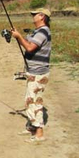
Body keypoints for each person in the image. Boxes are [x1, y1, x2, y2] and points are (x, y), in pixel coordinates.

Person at [11, 8, 51, 143]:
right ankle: (32, 128)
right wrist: (18, 35)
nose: (32, 16)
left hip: (38, 73)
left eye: (35, 14)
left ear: (42, 16)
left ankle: (39, 134)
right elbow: (29, 43)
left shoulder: (43, 31)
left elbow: (29, 48)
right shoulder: (39, 32)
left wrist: (19, 37)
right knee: (30, 100)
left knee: (35, 102)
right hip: (34, 72)